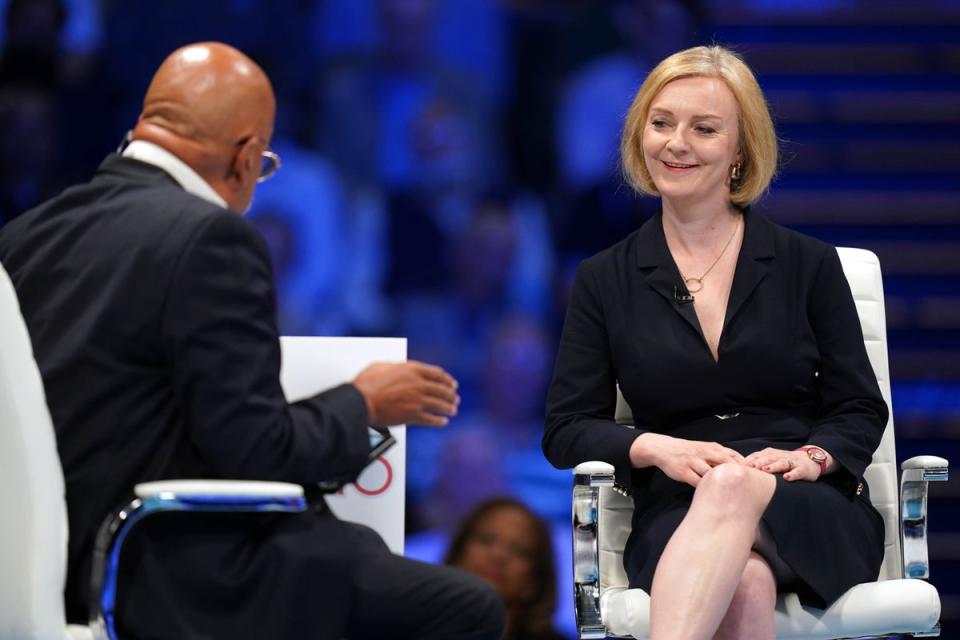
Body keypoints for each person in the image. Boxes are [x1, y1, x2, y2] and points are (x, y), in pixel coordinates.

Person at [0, 42, 504, 640]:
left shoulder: (27, 234)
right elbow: (255, 451)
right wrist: (363, 403)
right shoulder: (210, 239)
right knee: (468, 608)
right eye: (264, 166)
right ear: (243, 158)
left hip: (51, 567)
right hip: (163, 568)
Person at [543, 45, 887, 640]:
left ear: (739, 151)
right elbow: (567, 428)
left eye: (704, 128)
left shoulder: (808, 264)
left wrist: (813, 457)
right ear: (639, 135)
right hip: (676, 510)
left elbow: (859, 407)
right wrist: (657, 448)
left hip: (810, 506)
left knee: (733, 491)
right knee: (745, 585)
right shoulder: (606, 278)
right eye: (661, 123)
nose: (676, 143)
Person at [446, 498, 568, 640]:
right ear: (457, 554)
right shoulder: (417, 625)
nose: (498, 555)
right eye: (485, 539)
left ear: (534, 582)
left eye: (518, 550)